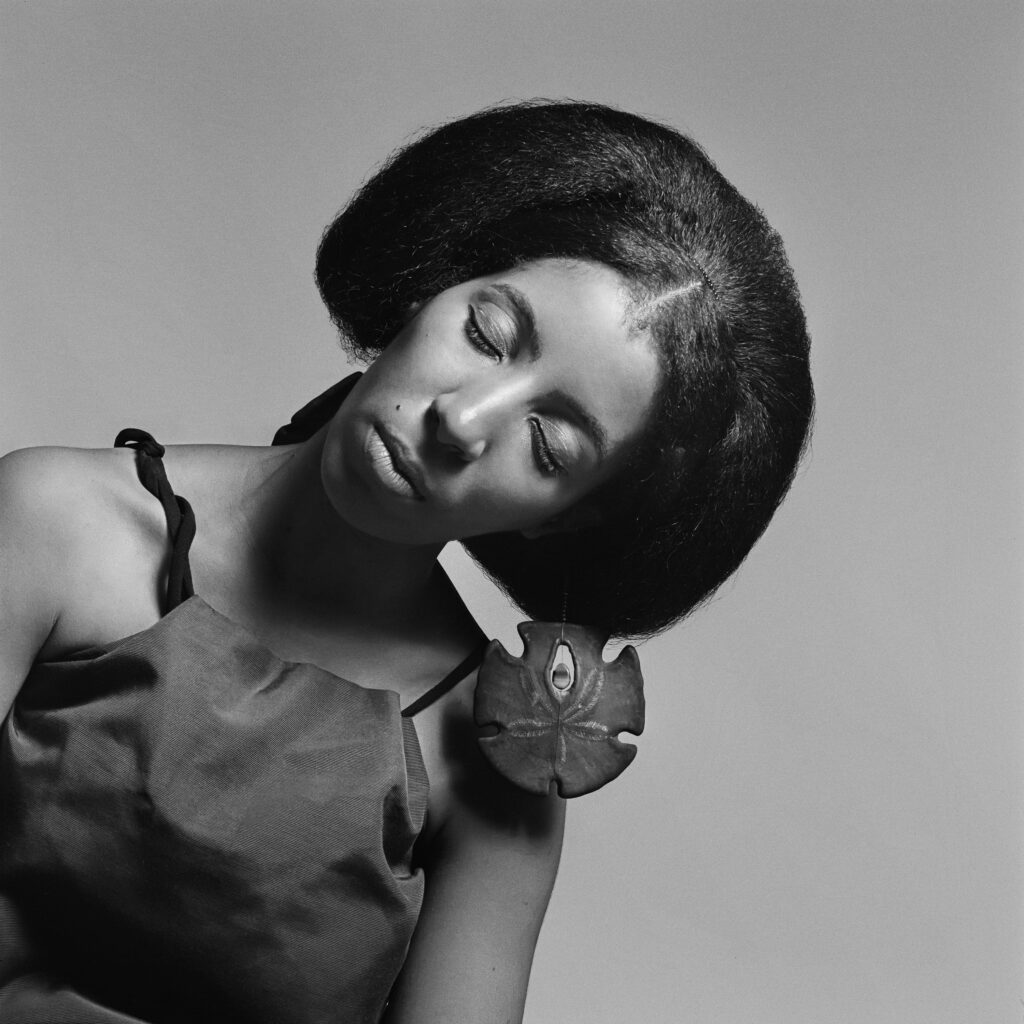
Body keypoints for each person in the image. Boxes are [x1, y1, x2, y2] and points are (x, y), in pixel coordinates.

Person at [0, 101, 813, 1023]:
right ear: (433, 283)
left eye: (547, 449)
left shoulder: (489, 762)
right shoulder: (54, 522)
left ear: (564, 521)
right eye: (486, 334)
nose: (461, 421)